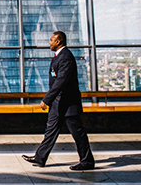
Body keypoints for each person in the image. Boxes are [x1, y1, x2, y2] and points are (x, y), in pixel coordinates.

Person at [22, 31, 95, 171]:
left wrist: (46, 100)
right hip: (58, 103)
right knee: (50, 131)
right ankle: (40, 157)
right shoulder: (58, 56)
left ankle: (87, 161)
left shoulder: (65, 57)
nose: (49, 43)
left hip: (68, 104)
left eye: (51, 40)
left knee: (78, 133)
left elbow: (60, 82)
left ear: (58, 42)